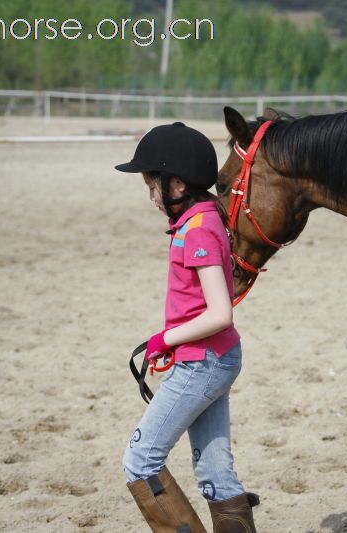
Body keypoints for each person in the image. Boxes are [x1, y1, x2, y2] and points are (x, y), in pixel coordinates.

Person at [115, 122, 258, 533]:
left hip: (204, 361)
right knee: (215, 474)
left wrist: (165, 338)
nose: (151, 197)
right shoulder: (202, 219)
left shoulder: (198, 230)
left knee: (140, 462)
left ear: (176, 184)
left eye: (152, 186)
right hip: (209, 357)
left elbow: (219, 313)